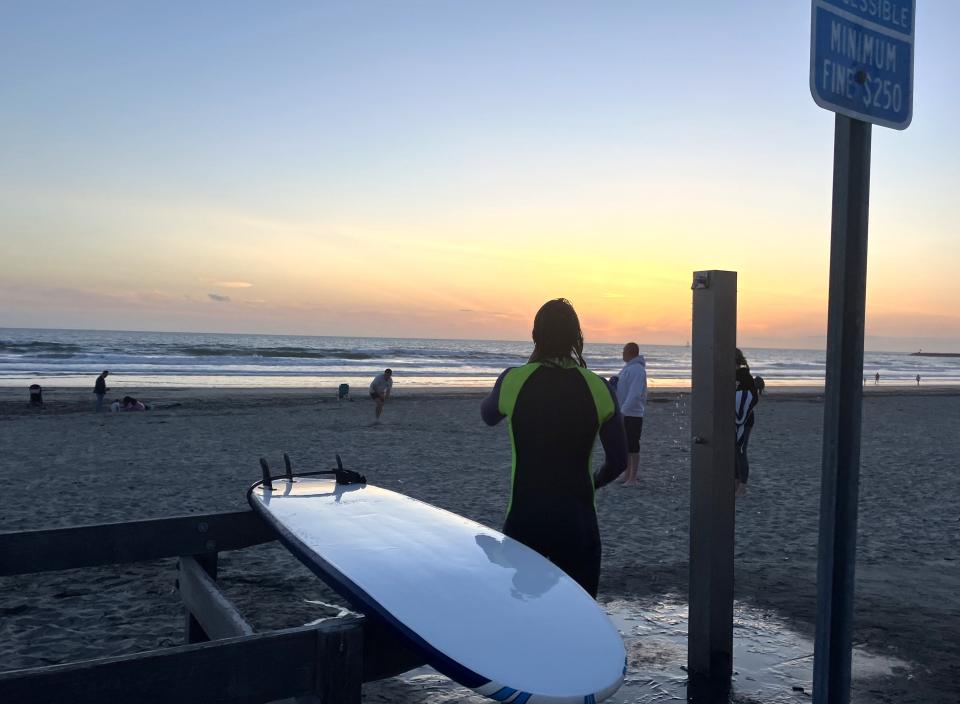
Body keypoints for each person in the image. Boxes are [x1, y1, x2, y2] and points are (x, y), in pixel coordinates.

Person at [480, 298, 627, 597]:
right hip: (578, 524)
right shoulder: (599, 387)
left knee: (523, 617)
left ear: (535, 335)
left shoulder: (514, 380)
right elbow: (619, 461)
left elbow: (488, 415)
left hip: (525, 523)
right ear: (577, 338)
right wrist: (592, 482)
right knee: (580, 622)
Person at [614, 342, 647, 486]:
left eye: (623, 351)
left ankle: (633, 477)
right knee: (626, 444)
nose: (622, 353)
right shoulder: (627, 368)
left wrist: (624, 410)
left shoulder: (638, 370)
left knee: (633, 445)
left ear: (629, 352)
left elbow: (634, 393)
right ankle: (626, 474)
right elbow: (623, 388)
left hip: (633, 413)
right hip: (624, 411)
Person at [735, 349, 759, 498]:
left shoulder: (745, 377)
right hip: (732, 418)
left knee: (741, 450)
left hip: (746, 420)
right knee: (734, 450)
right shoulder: (730, 375)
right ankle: (736, 482)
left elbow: (751, 399)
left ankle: (742, 486)